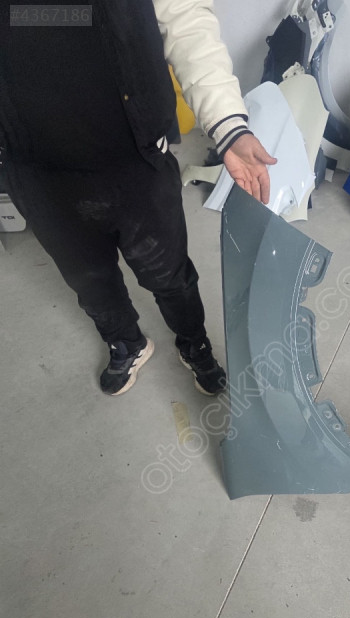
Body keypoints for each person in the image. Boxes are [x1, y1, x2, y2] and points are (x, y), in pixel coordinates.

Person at [0, 0, 276, 396]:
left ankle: (193, 341)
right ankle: (126, 343)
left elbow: (184, 17)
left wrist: (227, 123)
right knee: (90, 282)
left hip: (135, 158)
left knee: (169, 274)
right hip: (37, 171)